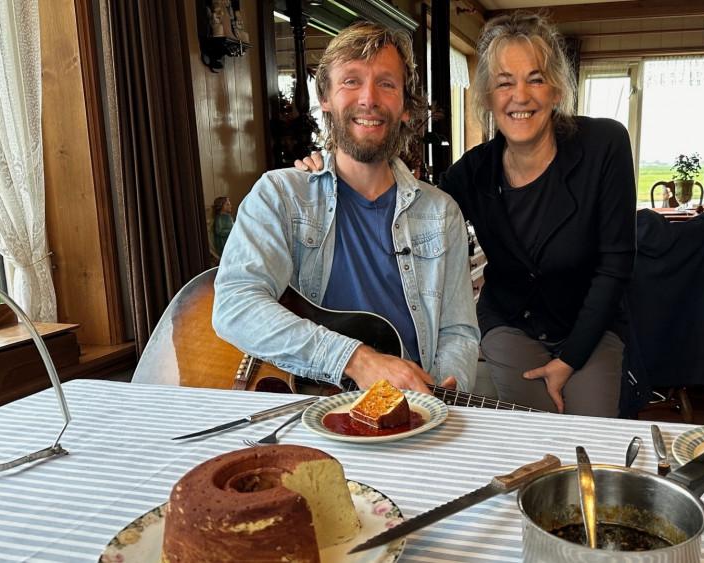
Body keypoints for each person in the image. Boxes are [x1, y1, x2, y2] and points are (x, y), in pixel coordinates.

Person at [298, 12, 636, 416]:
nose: (520, 96)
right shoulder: (473, 170)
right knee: (534, 432)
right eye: (504, 82)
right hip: (512, 322)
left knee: (593, 434)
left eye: (535, 78)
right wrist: (324, 174)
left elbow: (616, 265)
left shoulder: (605, 144)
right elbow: (410, 205)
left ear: (557, 90)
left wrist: (570, 360)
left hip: (591, 325)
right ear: (488, 98)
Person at [212, 22, 479, 395]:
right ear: (325, 96)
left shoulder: (442, 212)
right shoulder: (280, 195)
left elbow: (458, 331)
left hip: (414, 412)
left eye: (387, 83)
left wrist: (446, 390)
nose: (369, 98)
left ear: (405, 106)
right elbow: (236, 306)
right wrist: (357, 359)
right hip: (308, 406)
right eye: (351, 81)